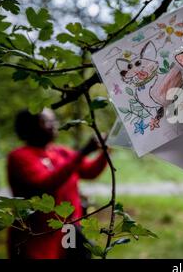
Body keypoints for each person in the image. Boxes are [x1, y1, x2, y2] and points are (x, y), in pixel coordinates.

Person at [7, 108, 108, 259]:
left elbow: (89, 171)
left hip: (70, 231)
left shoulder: (61, 152)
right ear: (30, 127)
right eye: (47, 121)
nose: (54, 124)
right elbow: (45, 184)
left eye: (54, 120)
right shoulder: (19, 157)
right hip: (37, 235)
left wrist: (105, 151)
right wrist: (82, 153)